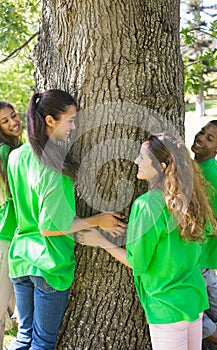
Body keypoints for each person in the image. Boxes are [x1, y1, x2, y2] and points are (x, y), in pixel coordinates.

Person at [7, 89, 126, 350]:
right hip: (49, 264)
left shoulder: (16, 156)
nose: (74, 126)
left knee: (24, 337)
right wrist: (98, 220)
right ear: (50, 120)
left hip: (21, 258)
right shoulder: (54, 166)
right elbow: (50, 227)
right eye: (70, 120)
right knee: (42, 343)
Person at [77, 132, 217, 350]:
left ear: (162, 166)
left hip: (166, 306)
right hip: (193, 298)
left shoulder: (147, 205)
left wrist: (101, 241)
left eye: (142, 158)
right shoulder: (191, 200)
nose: (136, 162)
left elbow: (138, 263)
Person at [191, 120, 217, 350]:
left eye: (210, 138)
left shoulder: (215, 177)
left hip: (198, 258)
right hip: (196, 258)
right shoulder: (193, 166)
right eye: (202, 132)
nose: (201, 138)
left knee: (191, 310)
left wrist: (203, 231)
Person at [0, 101, 22, 350]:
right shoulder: (6, 153)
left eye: (13, 116)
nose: (13, 122)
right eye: (4, 121)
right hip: (6, 235)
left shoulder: (14, 149)